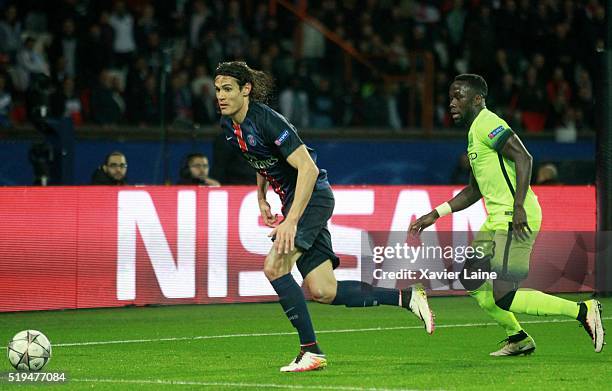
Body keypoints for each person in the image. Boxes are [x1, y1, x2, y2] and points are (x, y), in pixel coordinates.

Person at [214, 61, 434, 372]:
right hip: (295, 202)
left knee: (275, 267)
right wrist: (262, 196)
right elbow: (259, 159)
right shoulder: (230, 124)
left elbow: (309, 168)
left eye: (227, 89)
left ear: (245, 90)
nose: (220, 96)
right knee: (323, 290)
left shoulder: (268, 121)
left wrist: (291, 220)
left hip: (311, 198)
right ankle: (406, 297)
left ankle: (311, 351)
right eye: (217, 90)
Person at [409, 74, 604, 356]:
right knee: (472, 278)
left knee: (505, 296)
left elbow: (524, 157)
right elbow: (475, 190)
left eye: (458, 96)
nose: (452, 103)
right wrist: (435, 214)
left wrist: (520, 206)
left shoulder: (489, 123)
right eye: (451, 97)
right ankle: (518, 337)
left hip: (513, 218)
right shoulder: (474, 132)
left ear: (477, 99)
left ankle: (583, 310)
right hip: (497, 219)